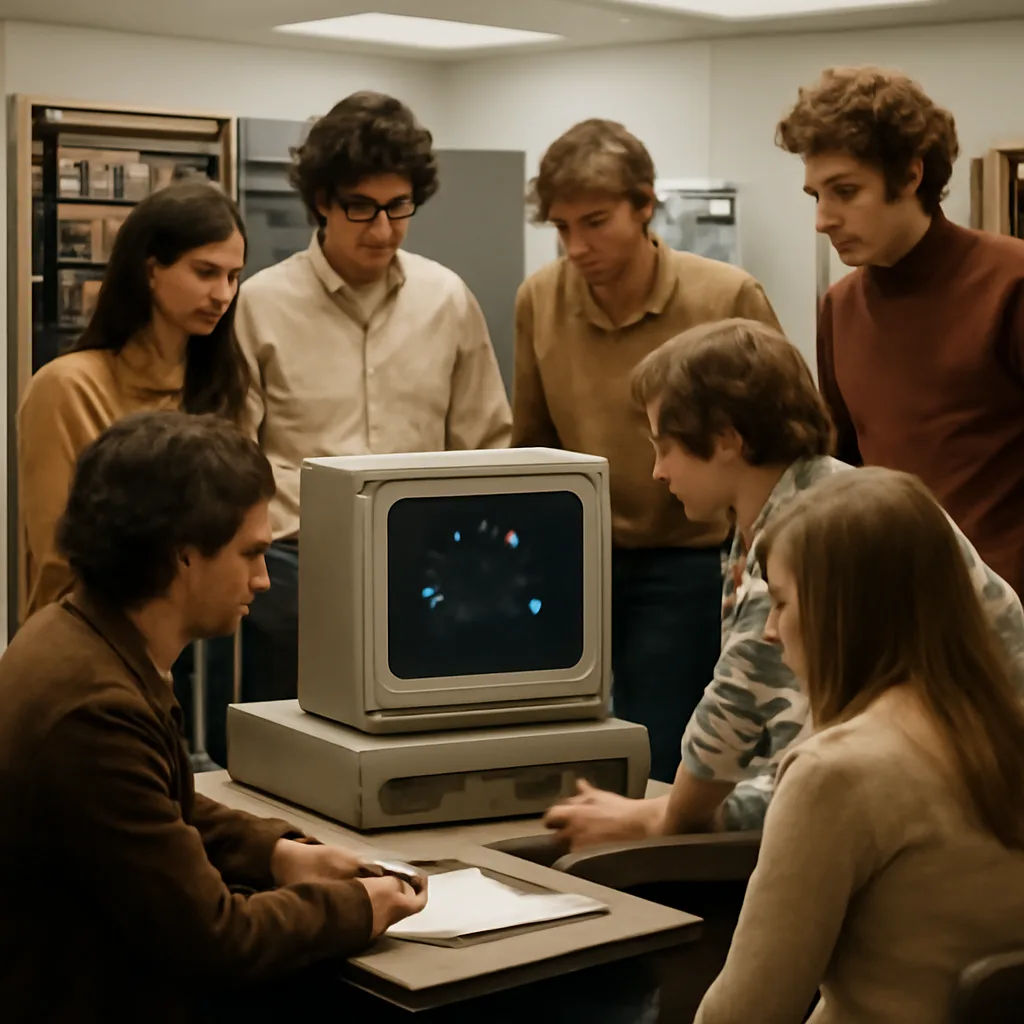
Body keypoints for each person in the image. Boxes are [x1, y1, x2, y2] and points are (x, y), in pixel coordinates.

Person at [0, 411, 427, 1024]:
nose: (264, 579)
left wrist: (279, 855)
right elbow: (220, 940)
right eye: (251, 553)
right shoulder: (94, 712)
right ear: (183, 557)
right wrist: (360, 906)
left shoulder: (70, 635)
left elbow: (155, 807)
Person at [544, 319, 1024, 846]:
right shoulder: (789, 502)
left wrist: (656, 819)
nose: (657, 471)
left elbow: (736, 710)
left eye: (666, 447)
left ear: (726, 439)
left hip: (969, 795)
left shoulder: (814, 527)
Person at [693, 468, 1024, 1024]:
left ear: (840, 614)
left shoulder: (835, 775)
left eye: (781, 602)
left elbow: (745, 1013)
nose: (771, 630)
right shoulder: (1002, 729)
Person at [513, 119, 782, 782]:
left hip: (689, 558)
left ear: (644, 205)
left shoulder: (725, 297)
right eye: (562, 227)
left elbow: (785, 445)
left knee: (662, 744)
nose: (577, 246)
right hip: (579, 557)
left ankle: (658, 876)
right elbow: (532, 443)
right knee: (555, 743)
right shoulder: (540, 300)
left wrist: (758, 555)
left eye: (597, 222)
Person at [235, 91, 511, 705]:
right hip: (294, 563)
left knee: (419, 733)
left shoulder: (447, 298)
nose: (383, 229)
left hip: (425, 558)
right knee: (289, 741)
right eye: (361, 208)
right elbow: (232, 451)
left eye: (398, 206)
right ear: (321, 203)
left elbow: (484, 439)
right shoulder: (260, 303)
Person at [17, 180, 252, 767]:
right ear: (150, 270)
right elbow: (57, 562)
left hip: (198, 659)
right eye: (204, 272)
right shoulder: (68, 388)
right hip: (89, 670)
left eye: (232, 276)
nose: (222, 293)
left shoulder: (223, 392)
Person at [776, 65, 1024, 596]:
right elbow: (840, 471)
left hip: (1006, 624)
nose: (822, 219)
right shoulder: (839, 308)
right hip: (893, 614)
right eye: (815, 195)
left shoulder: (1010, 284)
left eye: (845, 191)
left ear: (911, 177)